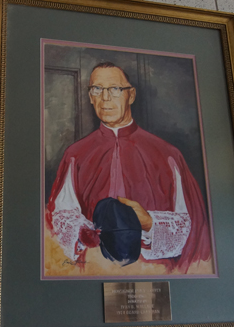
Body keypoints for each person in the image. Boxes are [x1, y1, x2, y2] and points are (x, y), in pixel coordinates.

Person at [44, 62, 214, 274]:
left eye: (115, 89)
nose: (105, 98)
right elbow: (60, 215)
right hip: (93, 269)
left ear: (131, 95)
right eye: (97, 89)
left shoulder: (168, 155)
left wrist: (149, 223)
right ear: (90, 97)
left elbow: (192, 227)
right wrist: (82, 233)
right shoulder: (75, 154)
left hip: (155, 271)